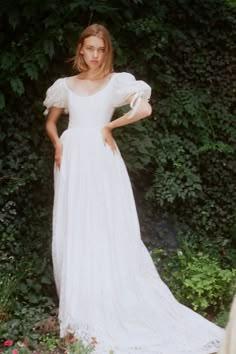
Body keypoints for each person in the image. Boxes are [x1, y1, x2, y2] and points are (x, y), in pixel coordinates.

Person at [44, 23, 224, 354]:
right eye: (90, 48)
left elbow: (143, 107)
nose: (95, 55)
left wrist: (111, 125)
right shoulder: (64, 86)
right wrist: (57, 144)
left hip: (100, 156)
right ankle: (83, 302)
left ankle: (113, 302)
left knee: (106, 224)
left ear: (106, 51)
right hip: (71, 159)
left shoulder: (116, 82)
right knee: (76, 226)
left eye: (101, 49)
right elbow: (51, 122)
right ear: (80, 49)